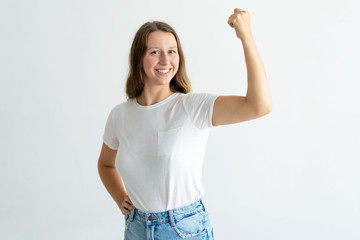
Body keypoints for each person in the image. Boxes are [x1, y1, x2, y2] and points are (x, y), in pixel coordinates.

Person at [98, 8, 272, 240]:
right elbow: (106, 165)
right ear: (139, 59)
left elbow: (259, 106)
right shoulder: (119, 115)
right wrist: (121, 199)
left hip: (183, 230)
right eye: (155, 52)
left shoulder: (192, 107)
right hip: (136, 228)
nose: (166, 60)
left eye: (172, 51)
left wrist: (246, 36)